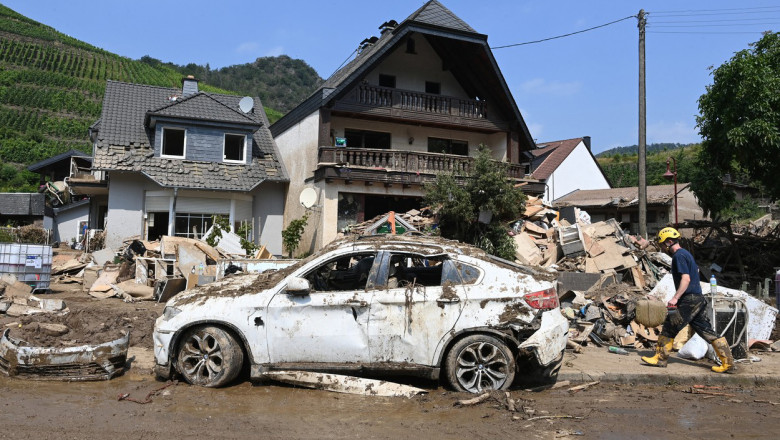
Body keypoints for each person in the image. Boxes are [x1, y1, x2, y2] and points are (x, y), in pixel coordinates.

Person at [641, 227, 736, 373]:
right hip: (697, 297)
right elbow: (696, 271)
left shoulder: (679, 256)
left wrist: (675, 297)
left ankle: (660, 359)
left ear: (669, 242)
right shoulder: (686, 254)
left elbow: (686, 278)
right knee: (706, 330)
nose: (662, 248)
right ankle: (728, 363)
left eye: (662, 244)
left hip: (689, 298)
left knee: (670, 326)